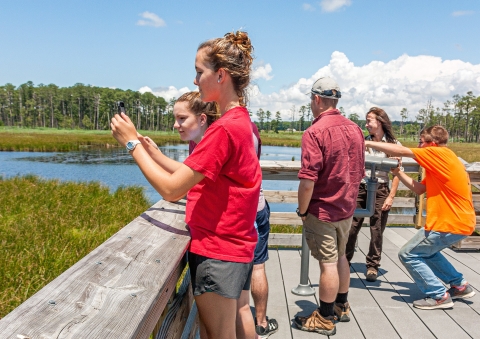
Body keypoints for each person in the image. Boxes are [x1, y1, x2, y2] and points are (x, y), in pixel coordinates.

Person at [111, 31, 261, 339]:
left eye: (199, 72)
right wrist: (151, 152)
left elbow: (171, 190)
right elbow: (191, 176)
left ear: (220, 75)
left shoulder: (223, 131)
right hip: (233, 249)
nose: (195, 80)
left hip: (218, 253)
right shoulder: (241, 122)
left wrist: (130, 143)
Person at [365, 125, 476, 310]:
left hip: (449, 223)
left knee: (408, 254)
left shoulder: (439, 154)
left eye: (420, 142)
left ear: (432, 144)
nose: (418, 145)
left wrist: (366, 142)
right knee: (428, 252)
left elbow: (401, 150)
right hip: (458, 222)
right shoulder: (444, 161)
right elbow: (419, 189)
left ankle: (439, 296)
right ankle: (459, 285)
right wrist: (398, 172)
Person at [294, 77, 365, 335]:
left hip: (323, 210)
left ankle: (324, 318)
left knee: (328, 263)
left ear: (316, 99)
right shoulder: (355, 129)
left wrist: (302, 211)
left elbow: (307, 181)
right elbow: (358, 169)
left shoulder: (314, 132)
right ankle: (341, 306)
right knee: (342, 256)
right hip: (347, 208)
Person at [345, 107, 401, 282]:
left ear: (380, 122)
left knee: (377, 228)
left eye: (370, 120)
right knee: (352, 226)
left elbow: (397, 173)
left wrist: (391, 196)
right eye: (366, 120)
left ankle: (372, 266)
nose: (366, 124)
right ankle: (345, 261)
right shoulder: (362, 142)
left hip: (381, 188)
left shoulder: (393, 145)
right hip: (361, 187)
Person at [250, 123, 278, 339]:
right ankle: (261, 322)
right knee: (257, 266)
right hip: (255, 208)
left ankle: (235, 319)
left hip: (234, 213)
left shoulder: (210, 128)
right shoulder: (250, 127)